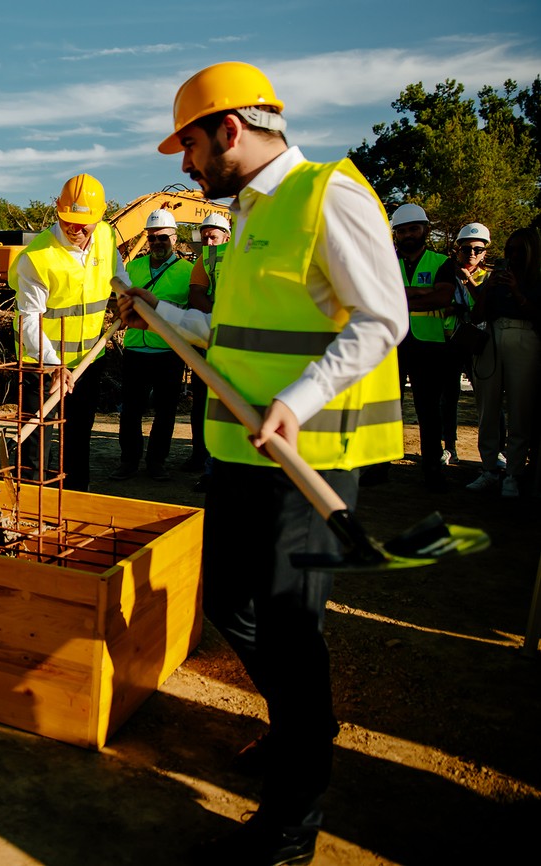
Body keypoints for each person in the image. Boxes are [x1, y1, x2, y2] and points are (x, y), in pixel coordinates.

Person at [119, 61, 407, 865]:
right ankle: (303, 722)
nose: (184, 165)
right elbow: (234, 332)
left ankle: (291, 826)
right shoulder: (247, 214)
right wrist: (158, 310)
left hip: (305, 454)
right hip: (240, 453)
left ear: (230, 130)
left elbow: (383, 318)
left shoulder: (329, 196)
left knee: (288, 626)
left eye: (190, 145)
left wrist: (300, 400)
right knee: (231, 604)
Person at [9, 173, 128, 491]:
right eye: (68, 222)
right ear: (58, 212)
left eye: (83, 223)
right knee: (34, 446)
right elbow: (28, 322)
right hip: (40, 365)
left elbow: (119, 275)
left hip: (88, 362)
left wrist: (127, 299)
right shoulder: (36, 258)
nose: (76, 229)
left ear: (100, 216)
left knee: (77, 443)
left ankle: (75, 506)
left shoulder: (105, 236)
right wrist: (53, 364)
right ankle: (25, 510)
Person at [113, 209, 193, 481]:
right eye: (152, 238)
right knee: (131, 410)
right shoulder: (133, 267)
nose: (157, 242)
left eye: (163, 238)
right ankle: (128, 461)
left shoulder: (188, 272)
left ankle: (157, 462)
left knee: (165, 411)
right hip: (136, 349)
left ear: (174, 238)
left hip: (168, 352)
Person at [463, 227, 541, 497]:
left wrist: (517, 291)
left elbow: (536, 313)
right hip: (492, 337)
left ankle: (513, 474)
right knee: (487, 407)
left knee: (521, 409)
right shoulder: (495, 279)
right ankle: (488, 469)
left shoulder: (536, 279)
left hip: (525, 338)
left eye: (520, 250)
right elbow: (476, 314)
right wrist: (487, 288)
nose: (513, 256)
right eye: (509, 250)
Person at [433, 223, 504, 491]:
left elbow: (486, 308)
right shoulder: (445, 272)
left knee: (488, 399)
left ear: (485, 252)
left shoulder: (492, 277)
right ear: (457, 249)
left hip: (481, 344)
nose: (472, 253)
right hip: (451, 341)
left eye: (478, 249)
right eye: (466, 248)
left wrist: (468, 282)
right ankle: (449, 447)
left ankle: (497, 451)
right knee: (447, 398)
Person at [392, 203, 456, 491]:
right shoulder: (384, 260)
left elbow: (442, 298)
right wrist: (421, 292)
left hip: (429, 345)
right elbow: (374, 293)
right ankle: (379, 464)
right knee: (386, 406)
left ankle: (432, 467)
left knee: (428, 409)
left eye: (413, 229)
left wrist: (399, 296)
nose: (408, 235)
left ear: (425, 230)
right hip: (391, 343)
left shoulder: (441, 261)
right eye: (402, 230)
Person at [183, 212, 230, 486]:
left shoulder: (241, 254)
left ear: (226, 235)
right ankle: (203, 458)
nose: (208, 242)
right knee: (204, 402)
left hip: (232, 339)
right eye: (205, 237)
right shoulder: (206, 259)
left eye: (213, 236)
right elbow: (196, 293)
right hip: (211, 337)